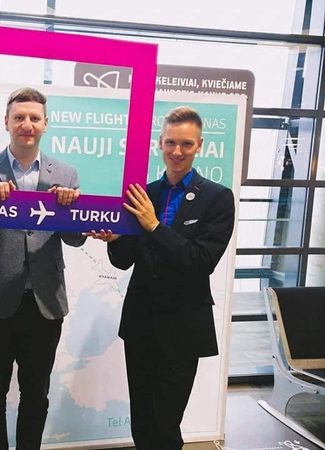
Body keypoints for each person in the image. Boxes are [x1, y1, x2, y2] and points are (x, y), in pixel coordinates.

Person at [87, 106, 235, 450]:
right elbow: (125, 261)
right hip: (140, 323)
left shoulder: (217, 197)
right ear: (160, 143)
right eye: (170, 143)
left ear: (200, 145)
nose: (177, 151)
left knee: (166, 425)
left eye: (186, 144)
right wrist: (115, 239)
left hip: (183, 327)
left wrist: (153, 226)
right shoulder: (144, 193)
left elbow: (201, 261)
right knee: (141, 420)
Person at [0, 87, 87, 450]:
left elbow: (76, 240)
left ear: (45, 124)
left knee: (36, 395)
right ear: (6, 122)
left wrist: (67, 210)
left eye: (33, 118)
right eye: (19, 117)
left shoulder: (67, 174)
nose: (26, 124)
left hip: (45, 303)